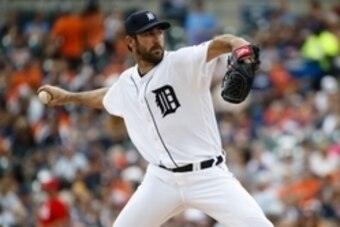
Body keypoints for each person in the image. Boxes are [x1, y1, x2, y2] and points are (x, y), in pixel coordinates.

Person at [38, 10, 274, 227]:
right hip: (161, 180)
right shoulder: (127, 82)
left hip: (208, 176)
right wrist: (68, 97)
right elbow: (107, 97)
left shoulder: (181, 62)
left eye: (158, 32)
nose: (156, 38)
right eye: (148, 34)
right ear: (130, 42)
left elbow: (220, 43)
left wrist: (240, 47)